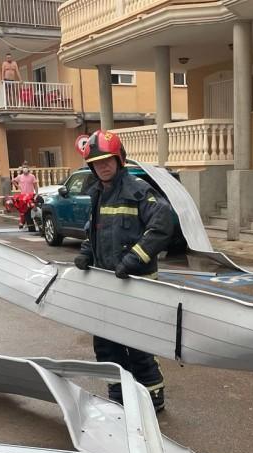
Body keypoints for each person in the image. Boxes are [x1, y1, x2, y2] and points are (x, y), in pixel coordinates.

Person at [72, 130, 175, 412]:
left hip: (136, 285)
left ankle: (152, 396)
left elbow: (162, 225)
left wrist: (133, 261)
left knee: (138, 344)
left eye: (107, 160)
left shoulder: (138, 190)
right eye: (97, 162)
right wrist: (86, 253)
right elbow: (94, 233)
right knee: (106, 345)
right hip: (106, 285)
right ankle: (119, 395)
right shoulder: (97, 194)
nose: (103, 166)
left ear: (119, 159)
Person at [12, 166, 39, 232]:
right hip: (23, 196)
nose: (25, 170)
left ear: (28, 170)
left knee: (32, 209)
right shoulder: (20, 177)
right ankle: (23, 223)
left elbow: (35, 185)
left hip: (30, 195)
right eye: (24, 169)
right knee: (23, 210)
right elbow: (13, 181)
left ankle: (29, 223)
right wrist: (18, 187)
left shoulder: (32, 176)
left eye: (26, 169)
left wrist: (36, 193)